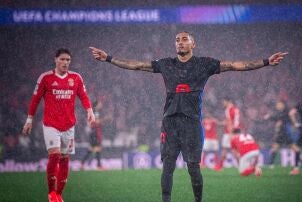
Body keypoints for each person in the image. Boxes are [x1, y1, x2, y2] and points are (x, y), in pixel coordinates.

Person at [89, 31, 287, 202]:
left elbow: (235, 65)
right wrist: (108, 58)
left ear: (193, 44)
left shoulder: (204, 64)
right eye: (177, 39)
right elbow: (137, 65)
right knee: (167, 166)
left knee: (193, 168)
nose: (180, 42)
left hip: (192, 123)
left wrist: (266, 62)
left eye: (184, 39)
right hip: (170, 122)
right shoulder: (166, 64)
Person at [22, 48, 95, 202]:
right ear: (55, 59)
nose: (65, 62)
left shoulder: (76, 78)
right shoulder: (46, 78)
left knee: (65, 158)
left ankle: (59, 194)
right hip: (51, 124)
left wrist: (89, 110)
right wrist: (29, 120)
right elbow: (35, 100)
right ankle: (51, 193)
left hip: (69, 125)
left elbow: (83, 95)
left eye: (68, 60)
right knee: (54, 155)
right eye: (62, 59)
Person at [214, 97, 243, 171]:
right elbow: (229, 121)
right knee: (225, 150)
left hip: (233, 133)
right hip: (230, 132)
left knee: (234, 151)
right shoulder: (230, 110)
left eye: (224, 102)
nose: (223, 103)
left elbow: (234, 123)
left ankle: (242, 166)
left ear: (228, 101)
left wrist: (232, 134)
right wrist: (221, 123)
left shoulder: (232, 110)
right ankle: (220, 166)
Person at [263, 100, 294, 168]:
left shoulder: (286, 112)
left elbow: (279, 118)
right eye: (277, 104)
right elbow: (277, 118)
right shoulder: (280, 112)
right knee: (275, 148)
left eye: (279, 104)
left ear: (283, 105)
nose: (277, 106)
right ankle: (271, 164)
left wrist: (270, 117)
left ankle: (299, 161)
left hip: (285, 133)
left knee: (294, 148)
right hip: (281, 133)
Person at [81, 100, 109, 170]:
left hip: (94, 133)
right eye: (100, 103)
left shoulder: (95, 112)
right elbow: (96, 122)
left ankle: (82, 163)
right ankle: (98, 166)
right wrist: (105, 119)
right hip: (95, 133)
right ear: (97, 105)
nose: (101, 104)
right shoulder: (96, 112)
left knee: (91, 149)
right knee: (97, 149)